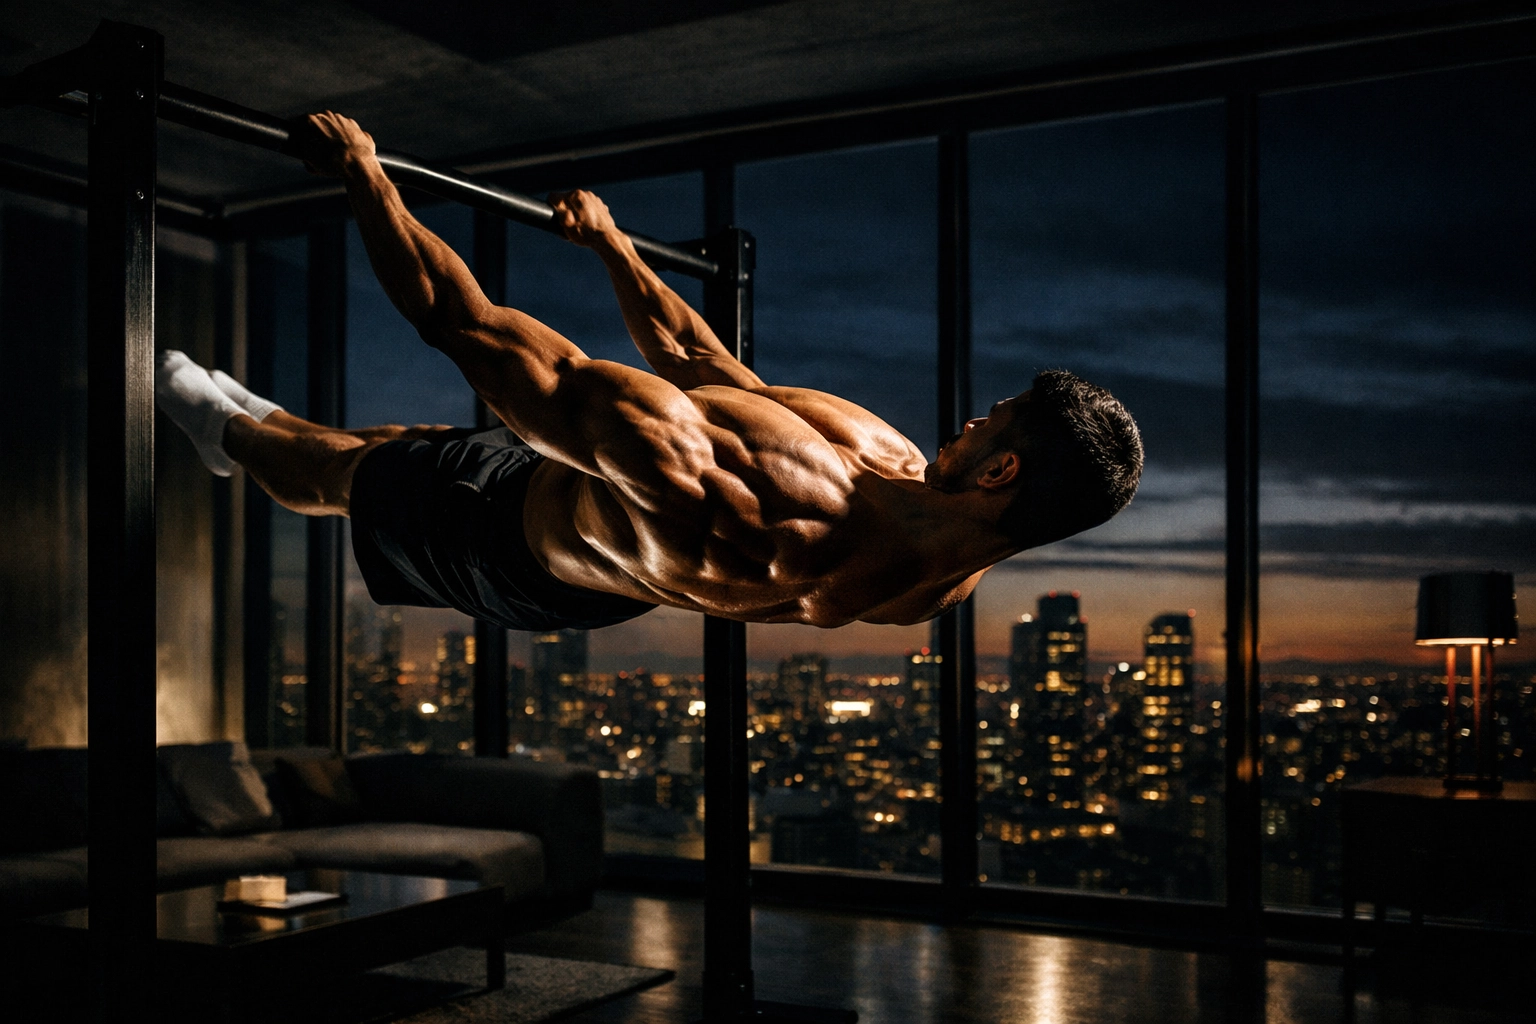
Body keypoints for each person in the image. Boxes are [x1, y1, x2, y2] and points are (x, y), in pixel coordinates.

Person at [156, 112, 1143, 633]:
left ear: (1001, 473)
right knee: (403, 445)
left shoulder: (734, 491)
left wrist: (362, 172)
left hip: (511, 544)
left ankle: (212, 420)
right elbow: (703, 361)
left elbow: (461, 324)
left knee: (341, 474)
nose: (969, 419)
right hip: (620, 548)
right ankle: (248, 418)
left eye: (993, 420)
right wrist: (618, 249)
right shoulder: (936, 568)